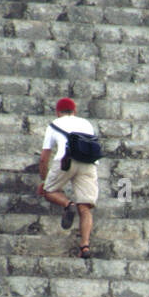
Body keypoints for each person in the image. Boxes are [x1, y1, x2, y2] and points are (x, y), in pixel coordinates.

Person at [37, 97, 99, 259]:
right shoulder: (86, 123)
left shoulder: (54, 125)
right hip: (88, 163)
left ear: (58, 112)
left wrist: (44, 182)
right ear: (75, 111)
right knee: (85, 209)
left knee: (49, 191)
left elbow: (44, 159)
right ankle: (84, 246)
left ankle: (68, 204)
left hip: (65, 161)